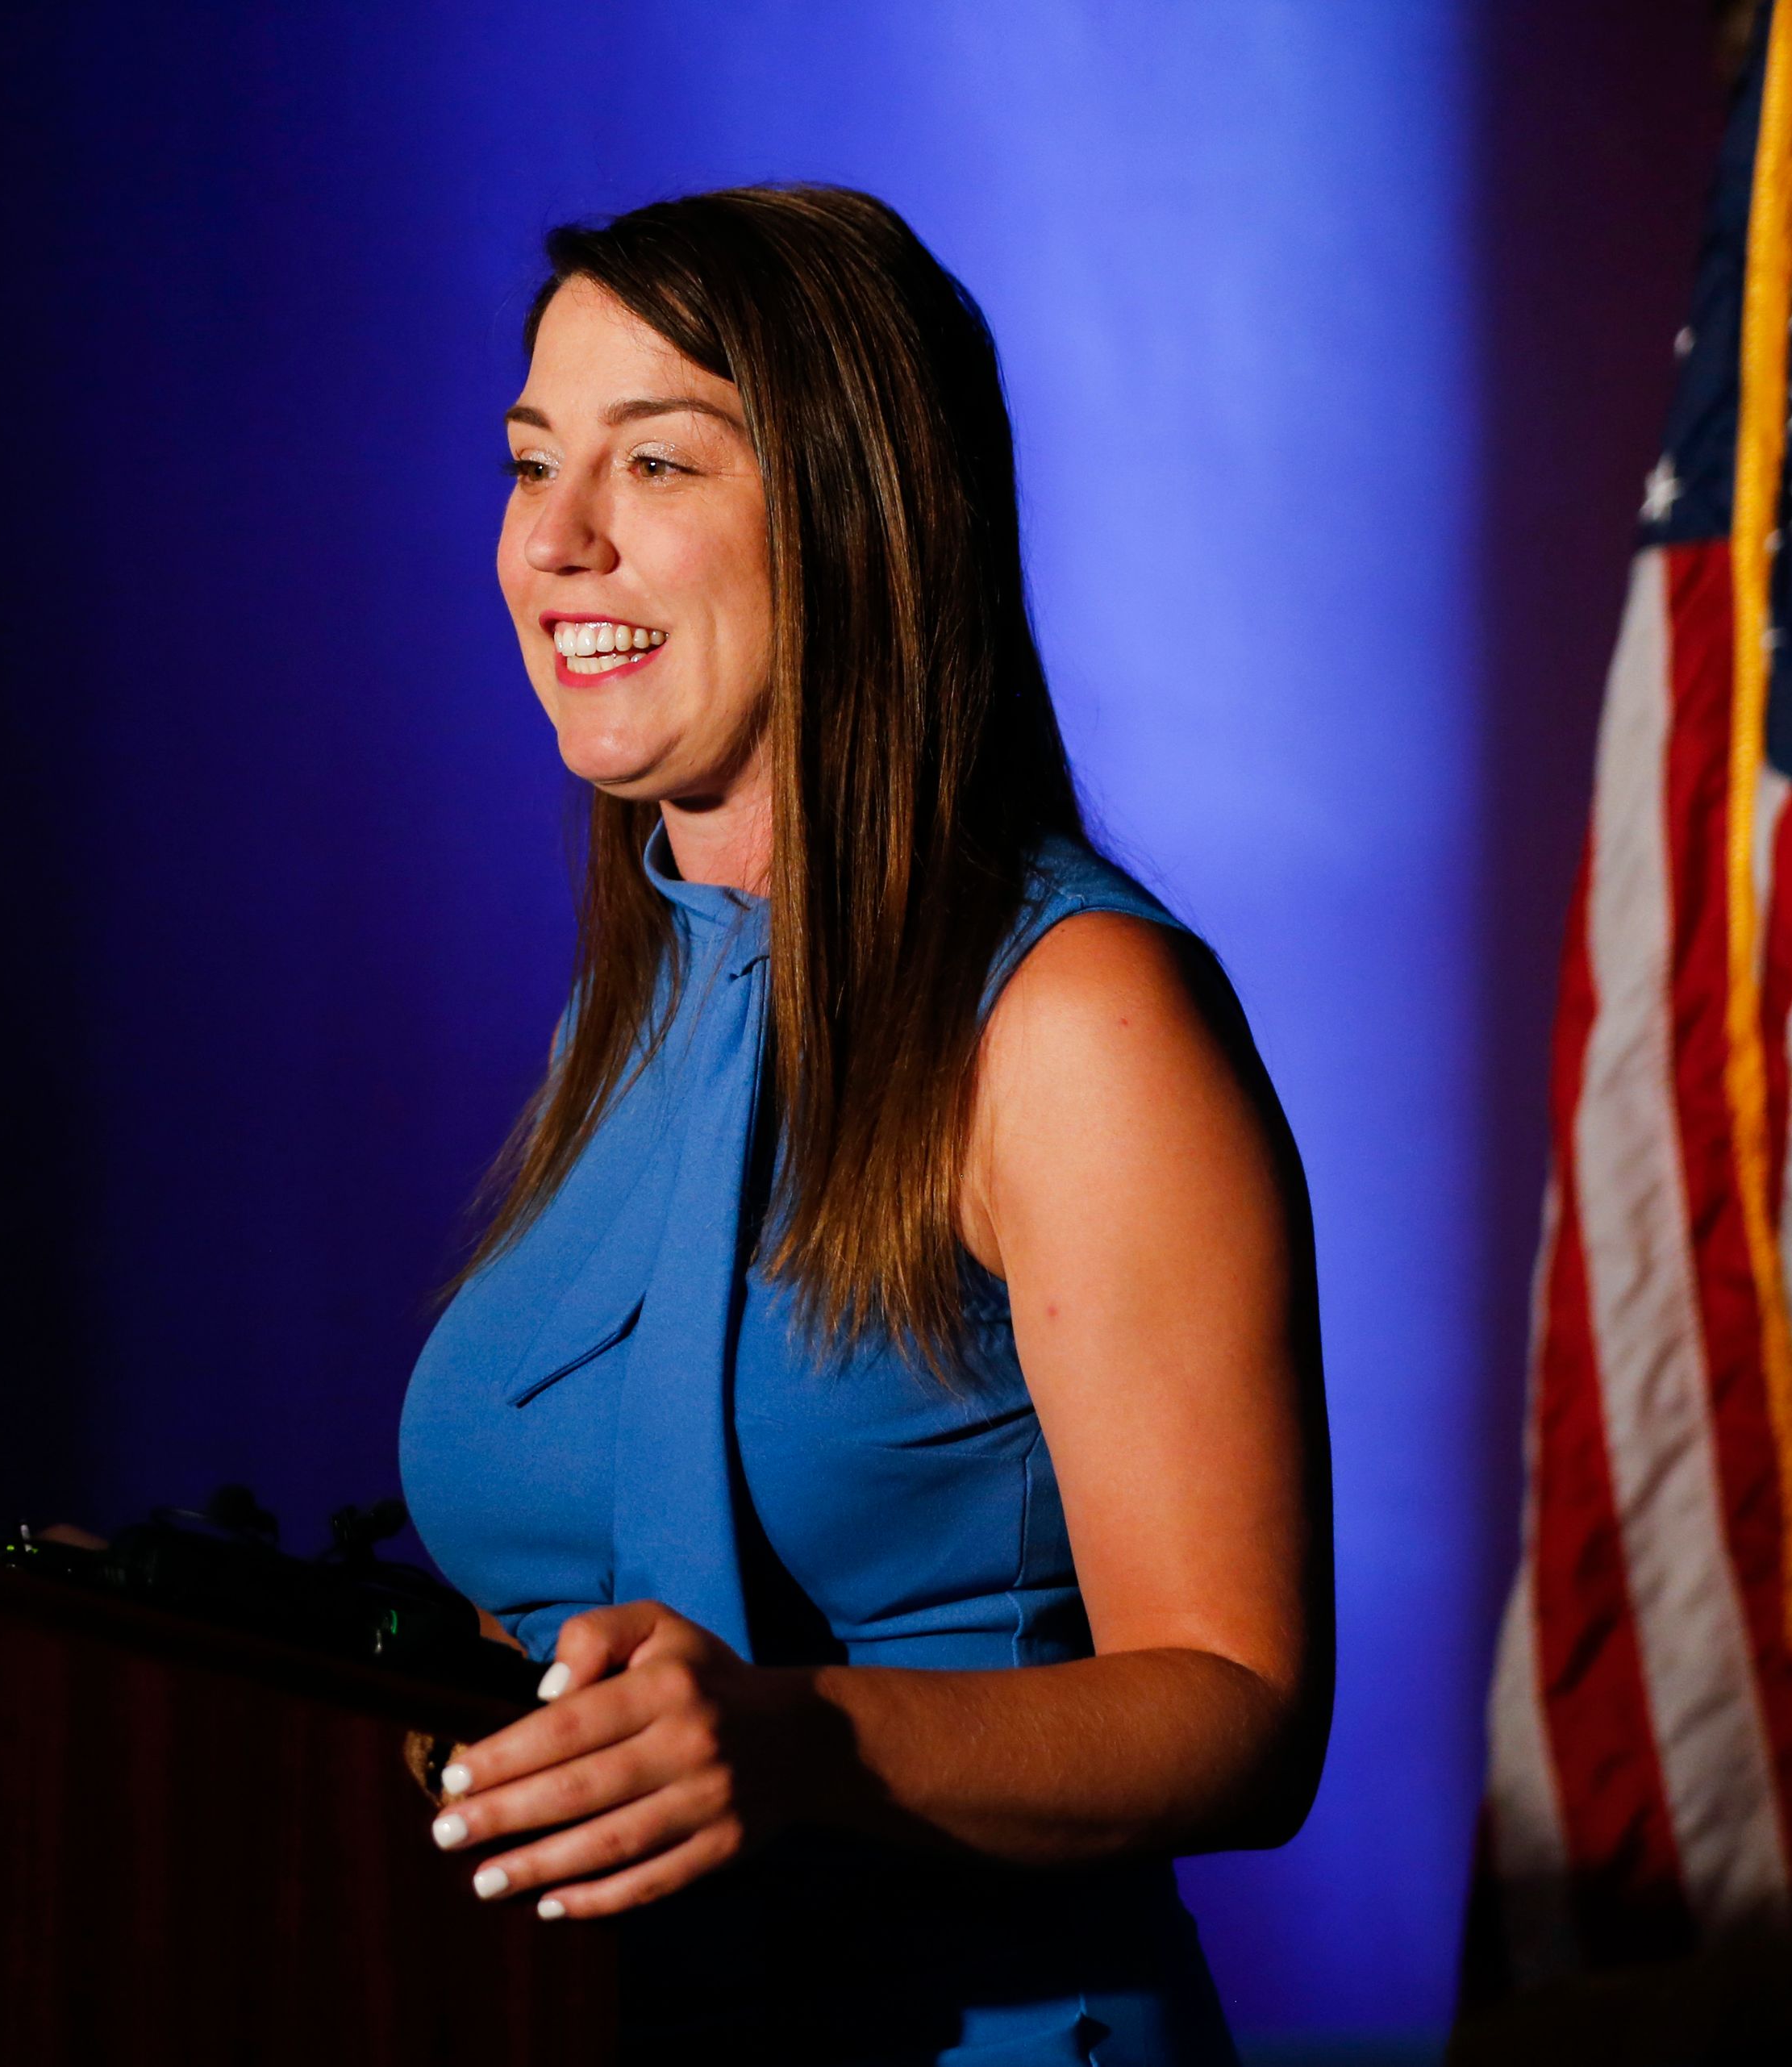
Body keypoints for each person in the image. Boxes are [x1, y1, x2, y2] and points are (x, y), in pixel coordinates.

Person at [394, 185, 1331, 2065]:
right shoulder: (644, 997)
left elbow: (1240, 1703)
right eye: (529, 464)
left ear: (851, 515)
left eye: (651, 464)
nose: (553, 542)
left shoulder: (1072, 1017)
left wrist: (804, 1744)